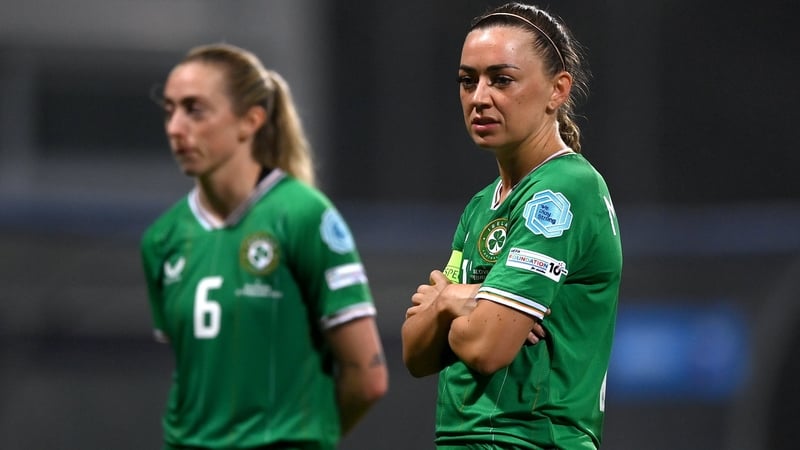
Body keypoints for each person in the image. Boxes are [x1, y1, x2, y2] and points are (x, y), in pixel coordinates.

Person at [140, 43, 388, 450]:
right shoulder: (162, 239)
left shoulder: (303, 216)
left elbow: (368, 378)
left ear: (250, 121)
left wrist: (301, 439)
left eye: (194, 109)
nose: (175, 128)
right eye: (170, 110)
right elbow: (196, 378)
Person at [401, 3, 622, 449]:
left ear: (557, 90)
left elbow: (487, 348)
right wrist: (456, 304)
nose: (479, 97)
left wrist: (448, 301)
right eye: (468, 81)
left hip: (529, 440)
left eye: (501, 80)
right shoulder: (483, 204)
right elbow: (416, 353)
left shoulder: (561, 191)